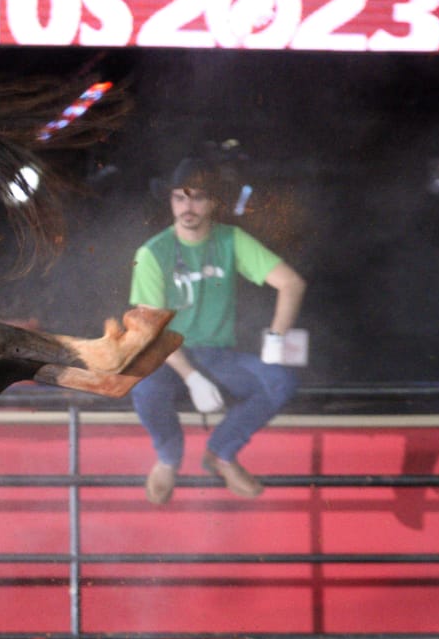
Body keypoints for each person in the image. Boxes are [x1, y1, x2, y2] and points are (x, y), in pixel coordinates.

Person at [128, 157, 307, 505]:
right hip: (168, 355)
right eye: (179, 197)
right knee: (144, 385)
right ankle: (168, 457)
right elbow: (151, 331)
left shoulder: (230, 240)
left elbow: (291, 283)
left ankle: (221, 452)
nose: (187, 206)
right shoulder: (152, 253)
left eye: (197, 197)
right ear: (170, 201)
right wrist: (192, 377)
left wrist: (276, 337)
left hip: (216, 354)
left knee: (279, 381)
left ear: (212, 202)